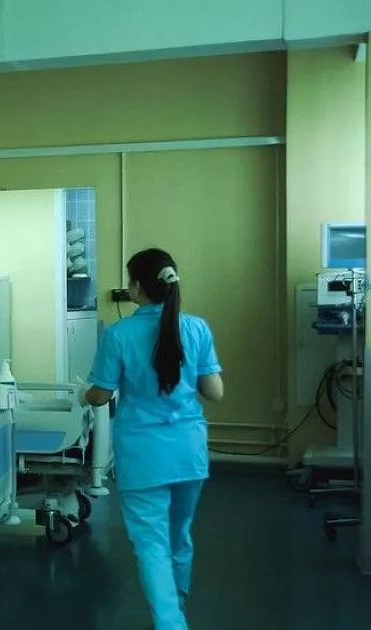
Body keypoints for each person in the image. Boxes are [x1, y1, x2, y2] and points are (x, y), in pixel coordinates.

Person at [82, 248, 224, 630]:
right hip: (188, 454)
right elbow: (215, 392)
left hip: (143, 457)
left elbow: (100, 395)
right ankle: (177, 606)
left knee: (151, 545)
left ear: (137, 288)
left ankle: (171, 623)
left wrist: (84, 395)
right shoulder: (196, 328)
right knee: (179, 534)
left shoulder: (119, 335)